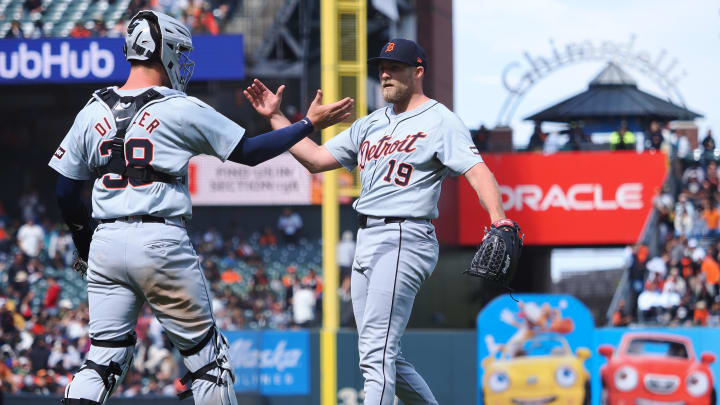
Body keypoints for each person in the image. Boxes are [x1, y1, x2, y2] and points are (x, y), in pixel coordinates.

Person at [47, 10, 352, 405]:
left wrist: (86, 245)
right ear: (165, 50)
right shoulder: (179, 106)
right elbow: (249, 153)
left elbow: (65, 191)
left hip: (105, 240)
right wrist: (305, 124)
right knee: (209, 363)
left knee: (103, 359)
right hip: (159, 238)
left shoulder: (92, 110)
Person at [244, 38, 512, 405]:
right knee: (383, 352)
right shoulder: (371, 123)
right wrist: (277, 118)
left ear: (418, 72)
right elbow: (318, 159)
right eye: (382, 67)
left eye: (396, 67)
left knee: (376, 352)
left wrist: (499, 219)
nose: (385, 73)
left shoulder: (441, 120)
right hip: (367, 237)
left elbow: (477, 170)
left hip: (406, 233)